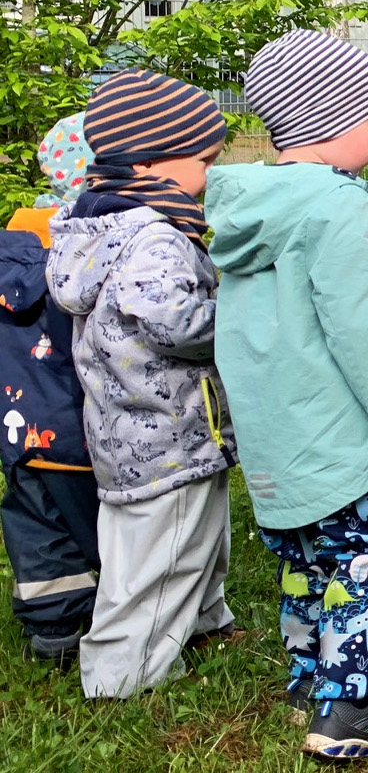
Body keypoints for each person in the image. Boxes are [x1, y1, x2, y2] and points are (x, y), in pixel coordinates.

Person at [206, 29, 368, 760]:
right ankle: (350, 711)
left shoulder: (243, 209)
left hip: (276, 441)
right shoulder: (338, 209)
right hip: (344, 441)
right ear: (331, 124)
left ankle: (308, 678)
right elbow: (362, 327)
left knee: (306, 560)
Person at [47, 71, 238, 698]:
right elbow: (175, 323)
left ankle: (206, 623)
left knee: (190, 542)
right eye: (204, 160)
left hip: (128, 431)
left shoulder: (95, 227)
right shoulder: (153, 235)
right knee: (162, 561)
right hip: (168, 435)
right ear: (152, 162)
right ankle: (117, 678)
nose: (210, 174)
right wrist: (237, 313)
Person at [0, 115, 100, 665]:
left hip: (18, 426)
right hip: (80, 423)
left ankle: (52, 630)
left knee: (34, 520)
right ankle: (109, 610)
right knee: (97, 524)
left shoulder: (12, 245)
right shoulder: (86, 252)